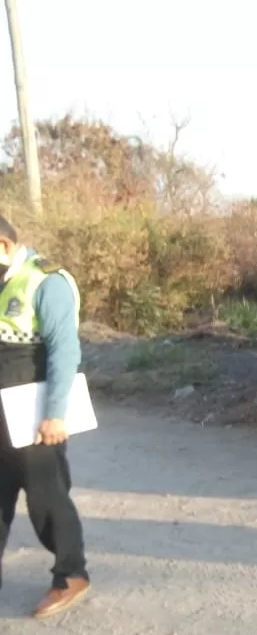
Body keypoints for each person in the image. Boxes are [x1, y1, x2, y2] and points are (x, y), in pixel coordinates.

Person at [0, 216, 91, 620]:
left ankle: (70, 574)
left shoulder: (47, 280)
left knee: (46, 500)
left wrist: (56, 414)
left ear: (3, 245)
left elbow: (64, 352)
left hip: (33, 413)